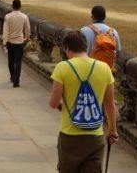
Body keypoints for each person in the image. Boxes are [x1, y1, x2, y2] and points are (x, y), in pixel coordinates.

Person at [48, 31, 118, 173]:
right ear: (86, 47)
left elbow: (54, 103)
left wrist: (63, 105)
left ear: (67, 48)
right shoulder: (104, 68)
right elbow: (110, 104)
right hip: (95, 135)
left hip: (69, 135)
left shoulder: (62, 67)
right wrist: (112, 130)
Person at [80, 6, 122, 71]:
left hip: (87, 68)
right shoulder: (113, 32)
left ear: (92, 16)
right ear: (104, 17)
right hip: (106, 70)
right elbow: (118, 54)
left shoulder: (83, 30)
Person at [2, 0, 30, 88]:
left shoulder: (8, 17)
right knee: (18, 62)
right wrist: (27, 38)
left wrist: (4, 42)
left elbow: (5, 31)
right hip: (20, 42)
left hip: (10, 42)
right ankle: (16, 81)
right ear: (20, 6)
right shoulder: (24, 17)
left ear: (12, 6)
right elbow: (27, 29)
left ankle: (12, 76)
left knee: (11, 61)